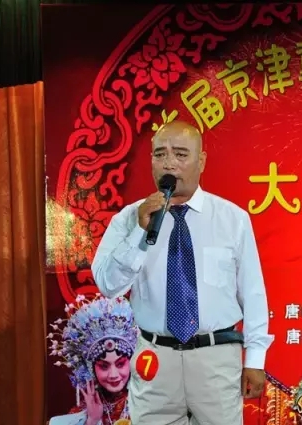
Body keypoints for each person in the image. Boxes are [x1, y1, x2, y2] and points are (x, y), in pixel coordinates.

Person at [91, 120, 273, 425]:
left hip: (215, 358)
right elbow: (108, 285)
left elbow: (253, 294)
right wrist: (139, 232)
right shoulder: (129, 219)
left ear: (201, 161)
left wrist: (255, 359)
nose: (169, 163)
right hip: (154, 360)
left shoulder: (232, 219)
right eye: (160, 154)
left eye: (180, 154)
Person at [47, 294, 139, 425]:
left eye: (120, 364)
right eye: (104, 366)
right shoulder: (79, 415)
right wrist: (92, 420)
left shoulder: (146, 405)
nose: (113, 375)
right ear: (90, 369)